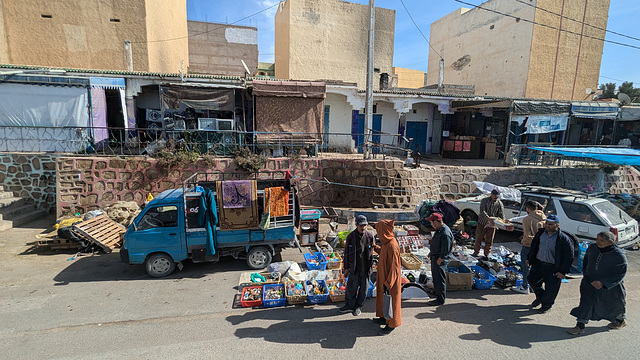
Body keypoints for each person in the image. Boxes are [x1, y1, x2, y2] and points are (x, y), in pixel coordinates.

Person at [567, 231, 628, 335]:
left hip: (610, 286)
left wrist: (603, 283)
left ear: (611, 242)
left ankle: (620, 320)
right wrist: (587, 276)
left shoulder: (618, 255)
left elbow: (620, 274)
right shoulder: (592, 248)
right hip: (590, 282)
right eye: (597, 239)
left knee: (613, 305)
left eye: (602, 240)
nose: (598, 242)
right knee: (585, 302)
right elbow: (586, 262)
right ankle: (580, 326)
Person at [527, 214, 574, 314]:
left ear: (557, 225)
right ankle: (540, 297)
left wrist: (563, 272)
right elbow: (534, 247)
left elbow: (569, 256)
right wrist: (529, 259)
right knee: (532, 281)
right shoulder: (540, 234)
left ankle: (546, 305)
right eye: (547, 224)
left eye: (551, 224)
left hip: (553, 267)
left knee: (551, 288)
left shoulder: (563, 239)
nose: (548, 226)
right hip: (539, 263)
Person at [339, 215, 374, 316]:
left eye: (365, 225)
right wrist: (346, 268)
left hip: (366, 267)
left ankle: (358, 306)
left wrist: (371, 267)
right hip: (354, 267)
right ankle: (350, 305)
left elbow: (371, 252)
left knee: (364, 289)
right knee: (351, 288)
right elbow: (346, 253)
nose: (363, 228)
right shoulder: (350, 237)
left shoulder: (369, 236)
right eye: (361, 225)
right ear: (356, 225)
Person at [373, 220, 402, 336]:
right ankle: (383, 317)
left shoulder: (393, 246)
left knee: (392, 301)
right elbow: (383, 253)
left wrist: (389, 283)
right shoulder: (386, 243)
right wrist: (375, 247)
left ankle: (392, 324)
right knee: (382, 298)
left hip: (390, 280)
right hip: (383, 276)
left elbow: (395, 268)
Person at [512, 201, 545, 294]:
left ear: (528, 208)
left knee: (526, 266)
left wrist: (524, 239)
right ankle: (534, 286)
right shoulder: (543, 217)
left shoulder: (527, 219)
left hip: (528, 246)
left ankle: (525, 286)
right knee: (536, 267)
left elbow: (528, 235)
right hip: (540, 246)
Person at [425, 213, 454, 306]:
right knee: (436, 278)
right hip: (435, 257)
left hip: (439, 259)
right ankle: (437, 293)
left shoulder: (445, 233)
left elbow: (446, 249)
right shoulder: (439, 230)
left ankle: (440, 299)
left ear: (436, 222)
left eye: (431, 222)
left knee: (439, 279)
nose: (431, 224)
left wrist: (440, 259)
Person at [472, 189, 504, 258]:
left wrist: (503, 222)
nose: (495, 197)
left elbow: (501, 214)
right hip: (482, 223)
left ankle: (487, 254)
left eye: (497, 196)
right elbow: (482, 211)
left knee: (489, 240)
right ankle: (476, 252)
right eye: (494, 195)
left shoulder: (499, 203)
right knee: (478, 238)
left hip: (492, 225)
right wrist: (488, 218)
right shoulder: (484, 200)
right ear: (491, 194)